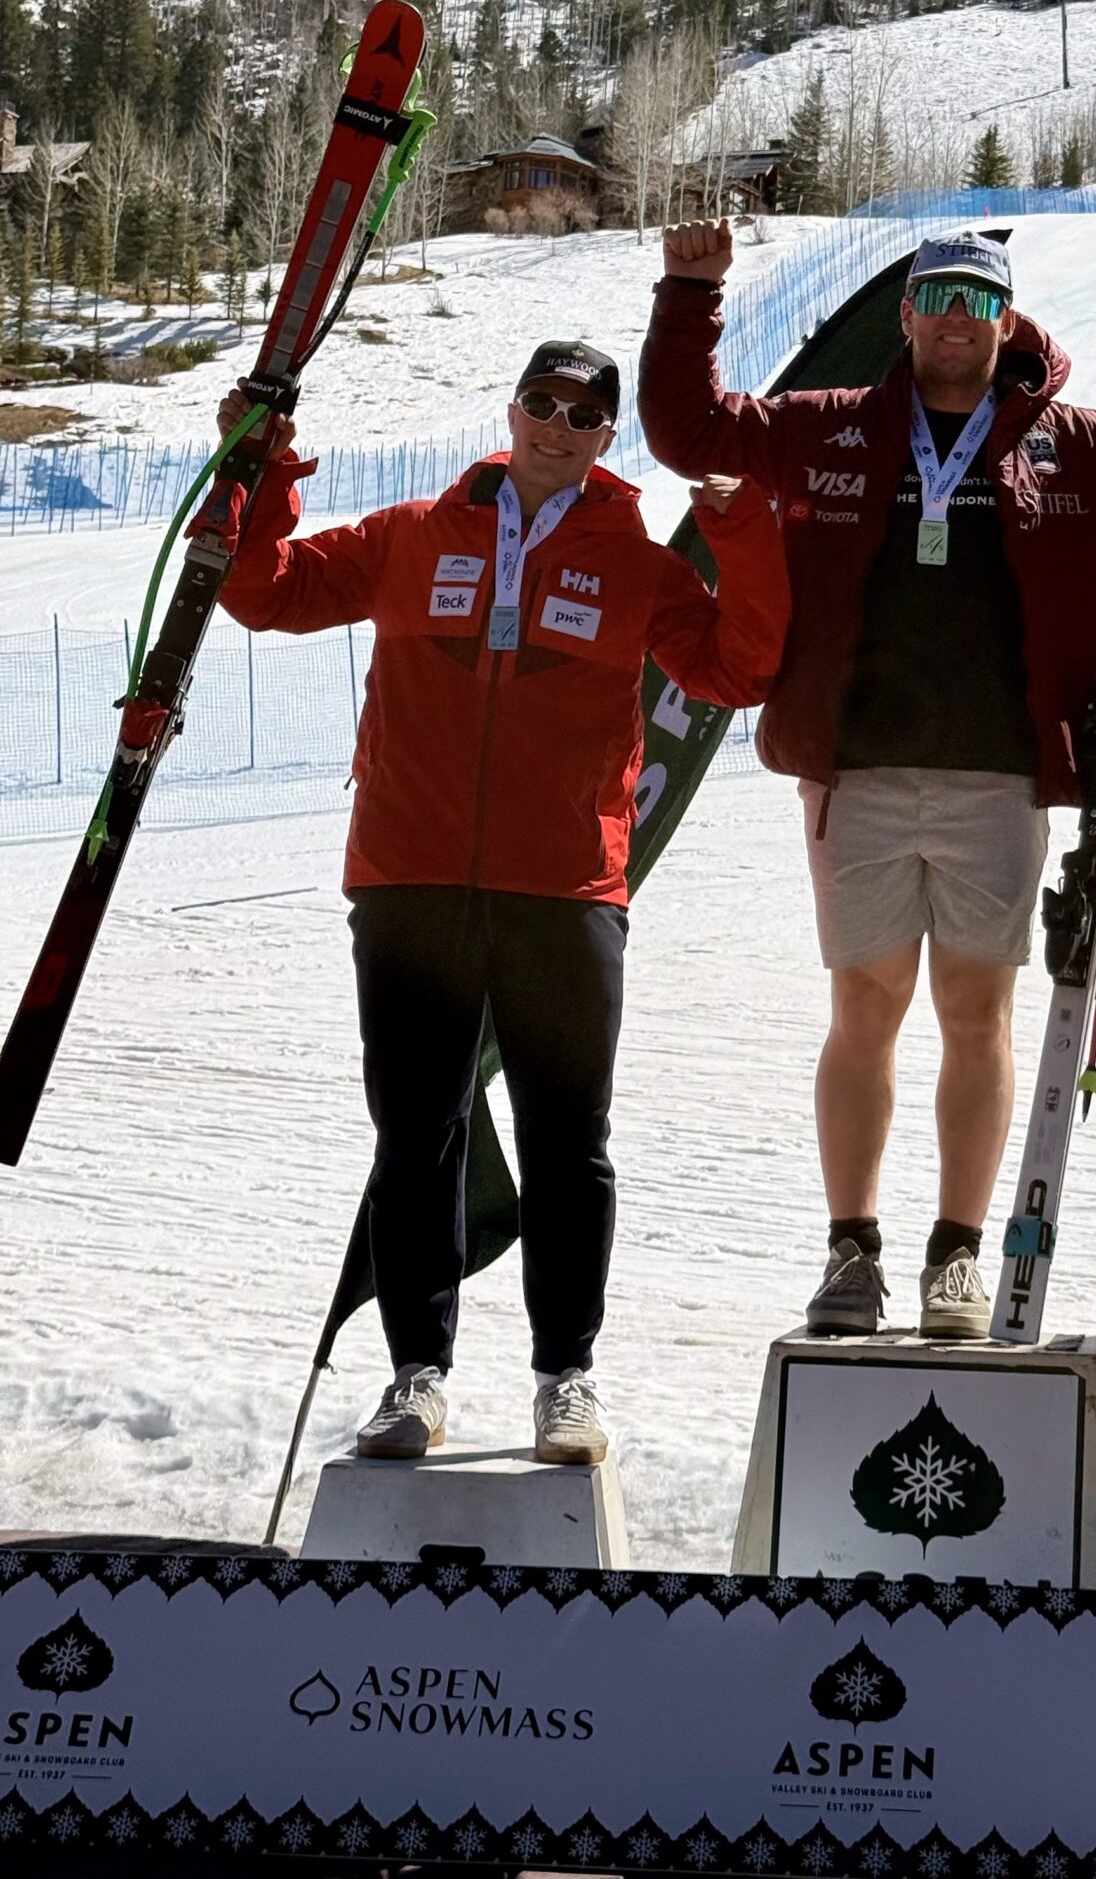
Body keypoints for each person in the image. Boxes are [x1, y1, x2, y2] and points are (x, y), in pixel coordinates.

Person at [641, 221, 1096, 1340]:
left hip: (1000, 779)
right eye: (937, 298)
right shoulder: (830, 425)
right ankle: (851, 1250)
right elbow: (689, 431)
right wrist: (690, 293)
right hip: (859, 772)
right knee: (864, 1009)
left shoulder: (1071, 442)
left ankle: (957, 1256)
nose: (956, 320)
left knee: (978, 1015)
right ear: (906, 315)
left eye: (978, 302)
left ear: (1006, 319)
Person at [215, 340, 789, 1464]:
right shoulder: (410, 534)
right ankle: (415, 1378)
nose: (557, 427)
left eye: (583, 414)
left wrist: (741, 531)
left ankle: (566, 1379)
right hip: (411, 881)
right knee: (416, 1137)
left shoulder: (633, 562)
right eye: (542, 403)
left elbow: (739, 671)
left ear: (606, 437)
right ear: (512, 409)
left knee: (569, 1143)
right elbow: (263, 591)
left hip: (563, 890)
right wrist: (262, 467)